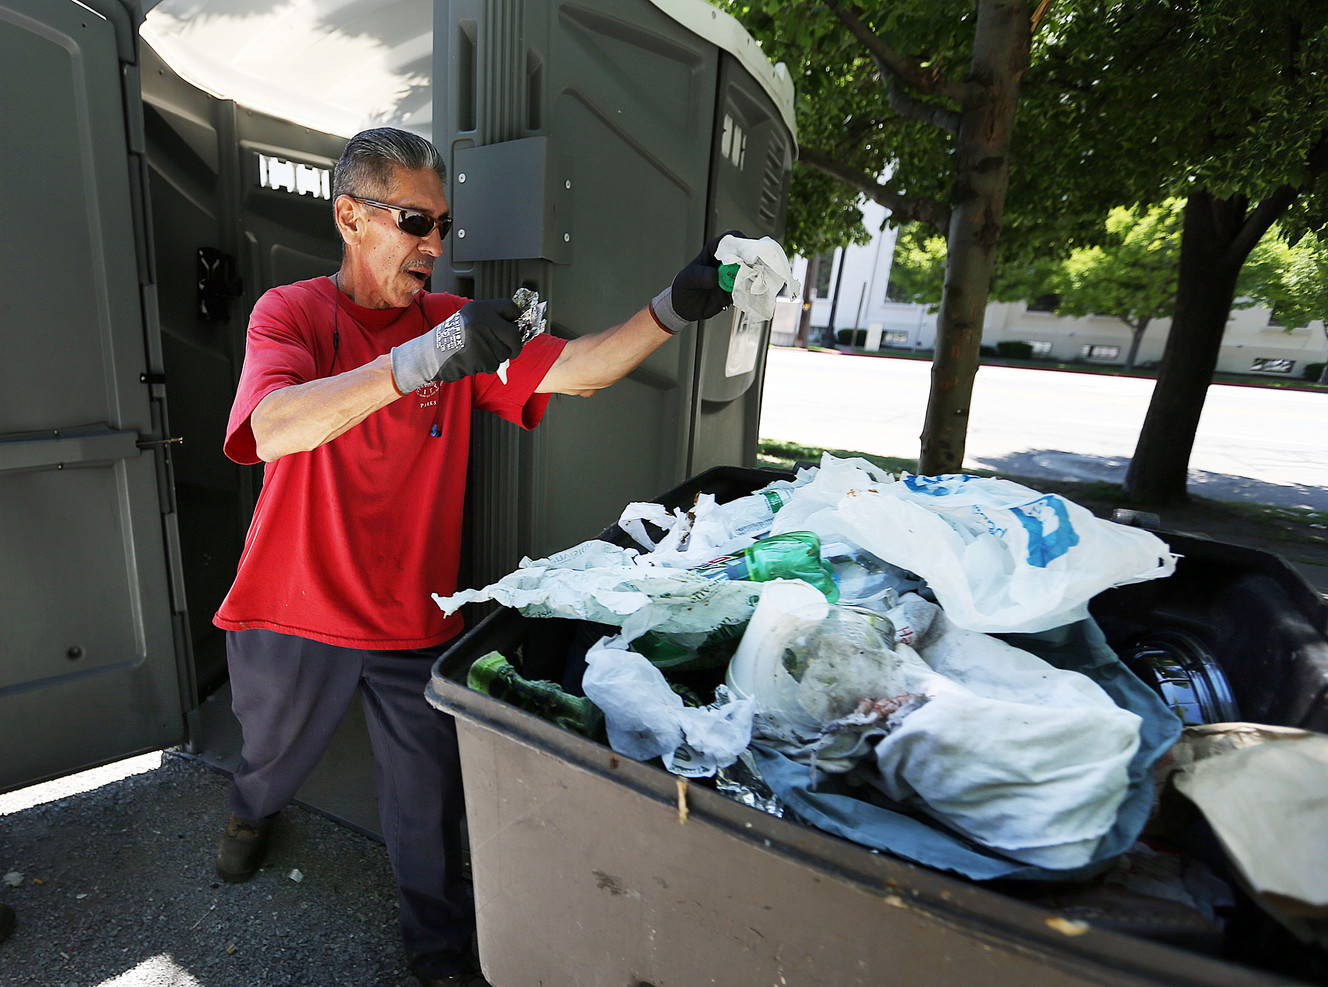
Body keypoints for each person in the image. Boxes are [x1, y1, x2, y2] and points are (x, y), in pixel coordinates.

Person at [211, 126, 736, 987]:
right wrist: (419, 363)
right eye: (415, 221)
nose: (434, 245)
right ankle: (247, 812)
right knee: (269, 756)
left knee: (427, 799)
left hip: (410, 614)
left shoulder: (454, 328)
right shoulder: (293, 312)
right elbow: (272, 427)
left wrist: (675, 304)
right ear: (350, 216)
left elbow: (578, 371)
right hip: (290, 603)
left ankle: (441, 951)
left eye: (443, 227)